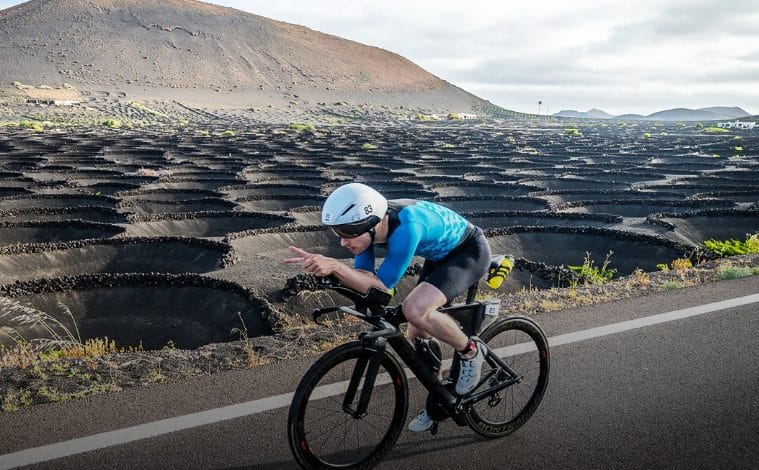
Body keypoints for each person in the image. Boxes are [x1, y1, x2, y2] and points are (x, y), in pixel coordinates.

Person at [284, 182, 492, 432]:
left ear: (370, 224)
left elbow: (382, 287)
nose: (342, 242)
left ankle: (470, 351)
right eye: (337, 232)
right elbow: (364, 279)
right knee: (418, 332)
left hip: (469, 252)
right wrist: (328, 273)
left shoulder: (407, 228)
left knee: (416, 310)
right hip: (439, 257)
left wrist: (337, 267)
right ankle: (440, 398)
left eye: (347, 232)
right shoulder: (368, 233)